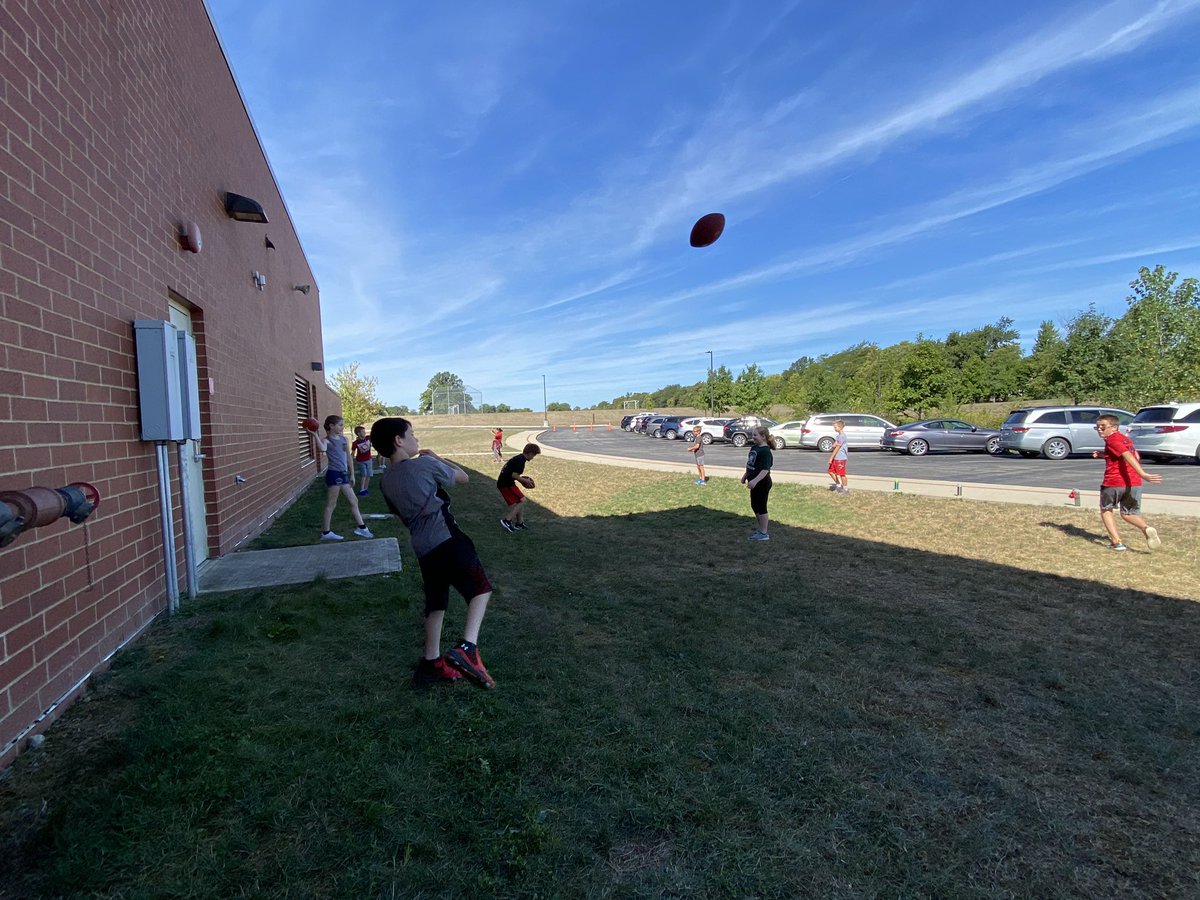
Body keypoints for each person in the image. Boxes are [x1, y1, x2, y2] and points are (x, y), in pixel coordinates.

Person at [371, 417, 495, 688]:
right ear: (398, 441)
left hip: (423, 547)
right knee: (480, 590)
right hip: (448, 538)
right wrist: (439, 458)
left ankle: (430, 665)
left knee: (436, 604)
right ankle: (468, 648)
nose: (416, 439)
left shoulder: (385, 481)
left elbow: (400, 515)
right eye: (412, 434)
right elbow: (464, 478)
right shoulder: (425, 464)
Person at [1092, 414, 1163, 552]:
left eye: (1103, 427)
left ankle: (1116, 543)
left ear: (1114, 427)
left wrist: (1144, 474)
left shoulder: (1112, 439)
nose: (1099, 430)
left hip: (1114, 482)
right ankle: (1146, 528)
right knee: (1128, 514)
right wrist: (1104, 455)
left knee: (1106, 510)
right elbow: (1136, 455)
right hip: (1133, 483)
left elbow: (1127, 455)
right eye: (1097, 427)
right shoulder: (1126, 439)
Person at [311, 415, 373, 541]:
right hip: (334, 475)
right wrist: (314, 435)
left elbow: (349, 457)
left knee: (354, 501)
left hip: (344, 474)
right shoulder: (327, 440)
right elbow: (322, 448)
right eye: (340, 425)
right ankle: (326, 532)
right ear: (331, 426)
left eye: (342, 425)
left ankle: (361, 528)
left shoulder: (344, 439)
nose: (342, 427)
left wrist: (352, 474)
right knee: (331, 503)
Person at [498, 443, 541, 532]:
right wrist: (525, 481)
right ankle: (507, 520)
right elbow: (514, 475)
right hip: (505, 484)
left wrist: (521, 480)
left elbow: (513, 474)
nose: (533, 457)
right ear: (530, 453)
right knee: (522, 500)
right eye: (534, 455)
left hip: (507, 482)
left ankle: (519, 523)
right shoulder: (520, 461)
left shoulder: (519, 458)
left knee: (519, 501)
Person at [741, 425, 773, 541]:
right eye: (753, 435)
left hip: (762, 484)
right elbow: (750, 464)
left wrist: (755, 480)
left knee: (761, 507)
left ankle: (764, 533)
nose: (753, 437)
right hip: (753, 482)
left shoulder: (765, 451)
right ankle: (760, 529)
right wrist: (745, 476)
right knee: (755, 506)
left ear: (763, 437)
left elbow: (765, 470)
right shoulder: (755, 448)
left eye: (755, 435)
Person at [826, 419, 850, 494]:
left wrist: (831, 457)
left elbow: (837, 448)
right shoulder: (838, 436)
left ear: (840, 427)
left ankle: (845, 489)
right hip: (836, 457)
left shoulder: (842, 436)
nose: (834, 428)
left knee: (842, 474)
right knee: (830, 471)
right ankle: (839, 486)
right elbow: (835, 445)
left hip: (840, 458)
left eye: (835, 427)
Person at [353, 425, 374, 496]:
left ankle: (365, 489)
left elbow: (375, 435)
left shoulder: (368, 438)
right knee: (364, 475)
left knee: (369, 475)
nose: (364, 432)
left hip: (369, 459)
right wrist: (351, 461)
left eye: (364, 431)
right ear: (358, 433)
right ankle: (361, 490)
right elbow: (353, 453)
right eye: (363, 431)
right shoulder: (356, 443)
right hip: (360, 461)